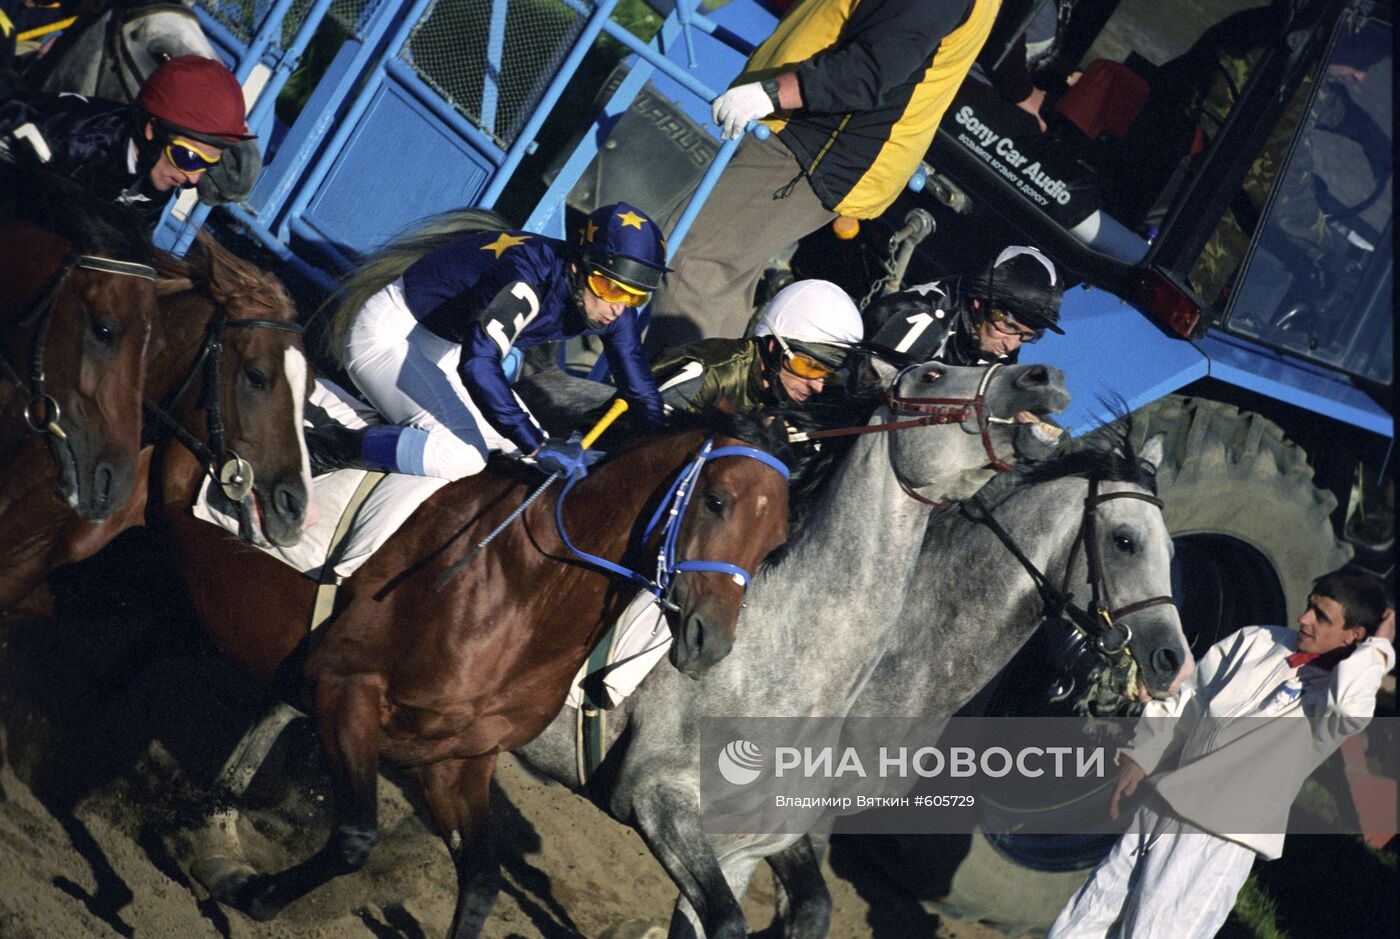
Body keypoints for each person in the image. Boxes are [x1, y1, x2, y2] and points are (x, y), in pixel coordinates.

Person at [1047, 568, 1396, 939]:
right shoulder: (1258, 640)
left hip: (1217, 839)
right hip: (1163, 802)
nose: (1304, 619)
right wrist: (1143, 753)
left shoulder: (1340, 704)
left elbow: (1346, 704)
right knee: (1083, 917)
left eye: (1322, 617)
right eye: (1310, 607)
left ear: (1355, 635)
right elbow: (1190, 697)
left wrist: (1379, 649)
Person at [646, 0, 1001, 349]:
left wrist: (771, 93)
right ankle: (708, 399)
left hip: (816, 145)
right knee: (721, 274)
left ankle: (671, 401)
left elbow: (868, 71)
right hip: (811, 142)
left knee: (693, 260)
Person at [317, 202, 669, 482]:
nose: (617, 307)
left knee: (521, 455)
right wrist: (538, 444)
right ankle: (328, 447)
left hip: (445, 349)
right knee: (462, 458)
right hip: (391, 334)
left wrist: (665, 449)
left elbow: (639, 390)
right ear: (578, 266)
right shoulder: (528, 275)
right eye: (610, 288)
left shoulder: (613, 306)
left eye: (635, 297)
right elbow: (478, 364)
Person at [0, 54, 252, 226]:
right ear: (152, 131)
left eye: (207, 164)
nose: (193, 178)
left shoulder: (158, 182)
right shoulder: (71, 143)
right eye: (188, 157)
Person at [652, 278, 863, 417]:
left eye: (828, 375)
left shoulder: (786, 396)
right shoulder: (707, 375)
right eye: (808, 367)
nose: (817, 387)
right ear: (773, 348)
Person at [862, 245, 1064, 366]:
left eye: (1027, 336)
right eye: (1010, 326)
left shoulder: (1001, 343)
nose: (1011, 346)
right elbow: (863, 393)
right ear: (979, 304)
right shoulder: (921, 316)